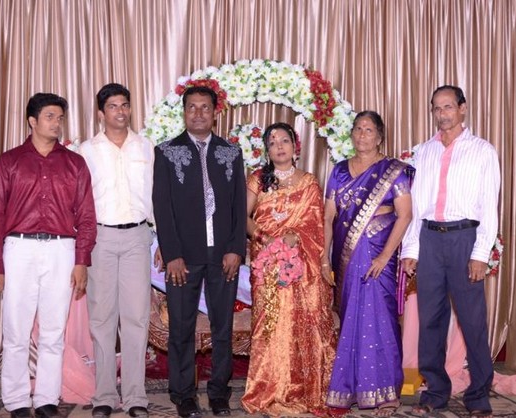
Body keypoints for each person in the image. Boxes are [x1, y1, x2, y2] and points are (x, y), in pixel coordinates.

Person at [0, 93, 97, 418]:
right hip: (18, 249)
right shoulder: (9, 162)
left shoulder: (75, 164)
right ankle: (16, 400)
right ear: (32, 121)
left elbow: (86, 216)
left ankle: (47, 398)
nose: (56, 123)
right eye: (50, 116)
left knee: (53, 331)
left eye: (60, 118)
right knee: (16, 331)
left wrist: (81, 261)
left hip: (62, 250)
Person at [401, 85, 500, 418]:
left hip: (464, 239)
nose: (442, 114)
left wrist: (480, 253)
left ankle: (478, 395)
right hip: (429, 239)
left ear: (462, 108)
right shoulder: (423, 151)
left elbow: (489, 205)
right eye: (436, 108)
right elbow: (416, 205)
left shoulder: (482, 150)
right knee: (430, 319)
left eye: (447, 107)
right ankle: (435, 391)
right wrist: (412, 248)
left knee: (472, 320)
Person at [152, 86, 247, 417]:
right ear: (184, 112)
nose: (198, 113)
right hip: (183, 258)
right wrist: (172, 253)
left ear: (215, 113)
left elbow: (239, 205)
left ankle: (219, 393)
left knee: (223, 327)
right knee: (181, 327)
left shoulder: (231, 153)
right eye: (191, 107)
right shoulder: (167, 152)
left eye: (204, 107)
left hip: (223, 257)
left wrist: (236, 249)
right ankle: (183, 395)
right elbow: (162, 206)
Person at [240, 123, 337, 415]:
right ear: (267, 150)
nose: (279, 146)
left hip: (303, 267)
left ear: (295, 146)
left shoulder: (309, 182)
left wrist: (296, 238)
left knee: (303, 321)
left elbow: (317, 227)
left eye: (284, 140)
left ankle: (303, 389)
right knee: (270, 326)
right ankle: (269, 389)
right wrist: (267, 239)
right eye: (273, 142)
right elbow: (242, 217)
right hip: (267, 265)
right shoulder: (257, 180)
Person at [322, 111, 412, 417]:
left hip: (378, 254)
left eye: (369, 130)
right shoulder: (339, 171)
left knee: (380, 319)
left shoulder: (394, 171)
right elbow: (328, 216)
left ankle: (386, 393)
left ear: (380, 137)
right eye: (358, 129)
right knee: (351, 319)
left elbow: (405, 215)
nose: (362, 134)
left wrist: (385, 256)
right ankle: (349, 388)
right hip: (346, 256)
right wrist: (324, 257)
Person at [79, 83, 154, 418]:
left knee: (136, 318)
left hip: (138, 236)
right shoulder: (87, 151)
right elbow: (80, 201)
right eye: (113, 106)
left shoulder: (146, 147)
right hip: (101, 239)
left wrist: (162, 241)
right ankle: (105, 397)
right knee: (102, 319)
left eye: (125, 105)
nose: (120, 111)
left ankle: (136, 397)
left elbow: (155, 195)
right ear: (101, 113)